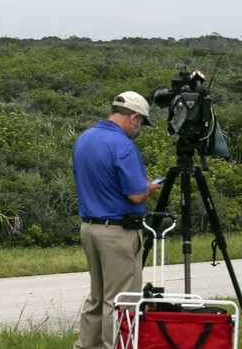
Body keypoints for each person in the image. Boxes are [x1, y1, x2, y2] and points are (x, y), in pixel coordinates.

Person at [72, 91, 162, 349]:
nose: (139, 128)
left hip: (89, 227)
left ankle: (86, 346)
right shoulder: (123, 145)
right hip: (117, 232)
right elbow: (135, 195)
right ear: (134, 118)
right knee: (120, 299)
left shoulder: (85, 138)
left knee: (97, 298)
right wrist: (149, 188)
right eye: (141, 123)